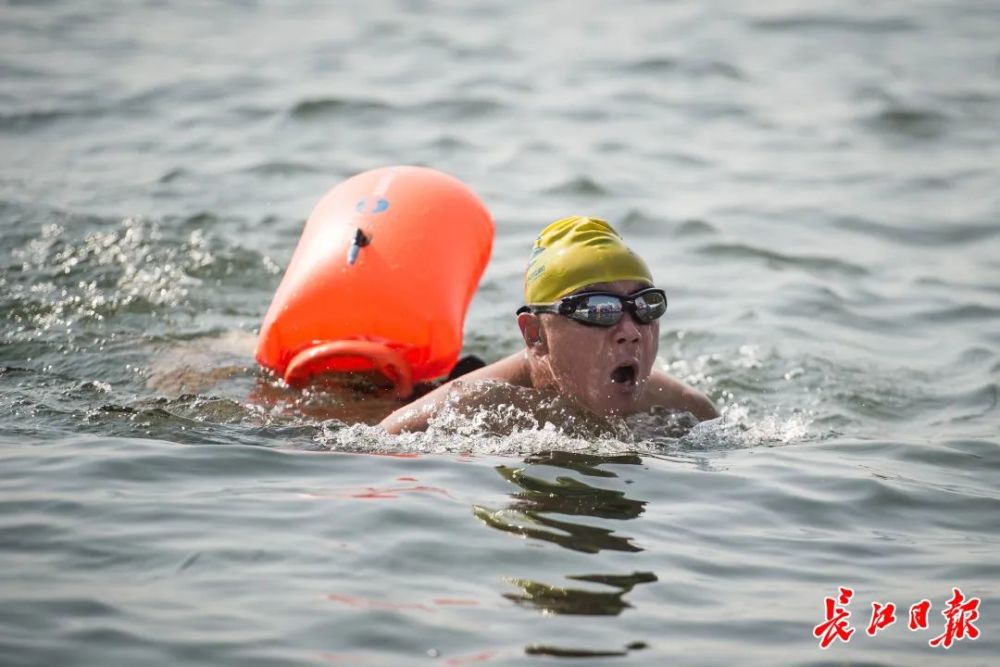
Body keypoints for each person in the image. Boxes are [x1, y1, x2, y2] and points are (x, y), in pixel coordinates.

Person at [379, 216, 718, 434]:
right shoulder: (458, 412)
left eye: (646, 306)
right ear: (534, 334)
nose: (631, 332)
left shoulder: (690, 411)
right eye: (598, 310)